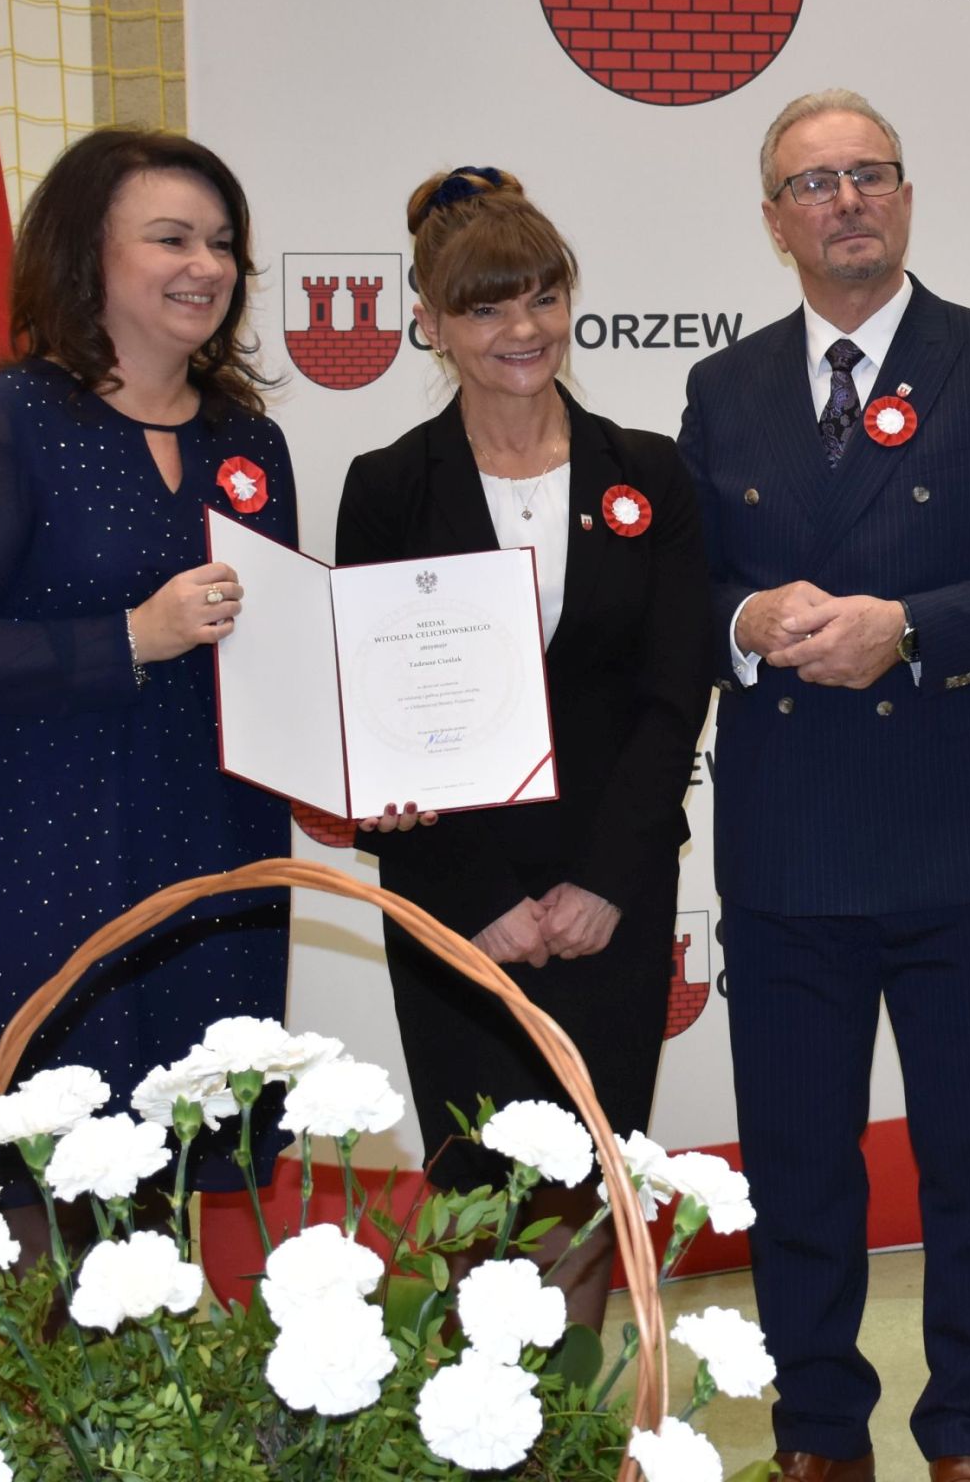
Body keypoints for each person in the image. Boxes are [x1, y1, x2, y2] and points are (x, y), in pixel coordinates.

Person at [676, 89, 970, 1482]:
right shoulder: (724, 388)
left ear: (905, 198)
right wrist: (746, 620)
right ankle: (818, 1436)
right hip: (788, 844)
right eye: (815, 182)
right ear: (774, 219)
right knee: (799, 1166)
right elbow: (682, 591)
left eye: (870, 174)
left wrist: (906, 628)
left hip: (959, 836)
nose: (846, 199)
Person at [0, 127, 296, 1240]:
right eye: (171, 238)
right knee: (50, 1195)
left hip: (212, 849)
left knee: (182, 1180)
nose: (206, 265)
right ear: (85, 256)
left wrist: (358, 765)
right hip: (46, 859)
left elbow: (274, 653)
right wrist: (128, 636)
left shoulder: (248, 441)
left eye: (222, 242)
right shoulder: (1, 426)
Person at [331, 167, 712, 1328]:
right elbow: (381, 712)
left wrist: (604, 881)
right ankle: (482, 1418)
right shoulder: (387, 487)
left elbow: (673, 694)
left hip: (611, 892)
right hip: (456, 894)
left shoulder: (649, 470)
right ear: (432, 323)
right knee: (478, 1193)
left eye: (543, 296)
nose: (523, 328)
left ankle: (576, 1413)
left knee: (588, 1185)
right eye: (487, 306)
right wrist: (480, 899)